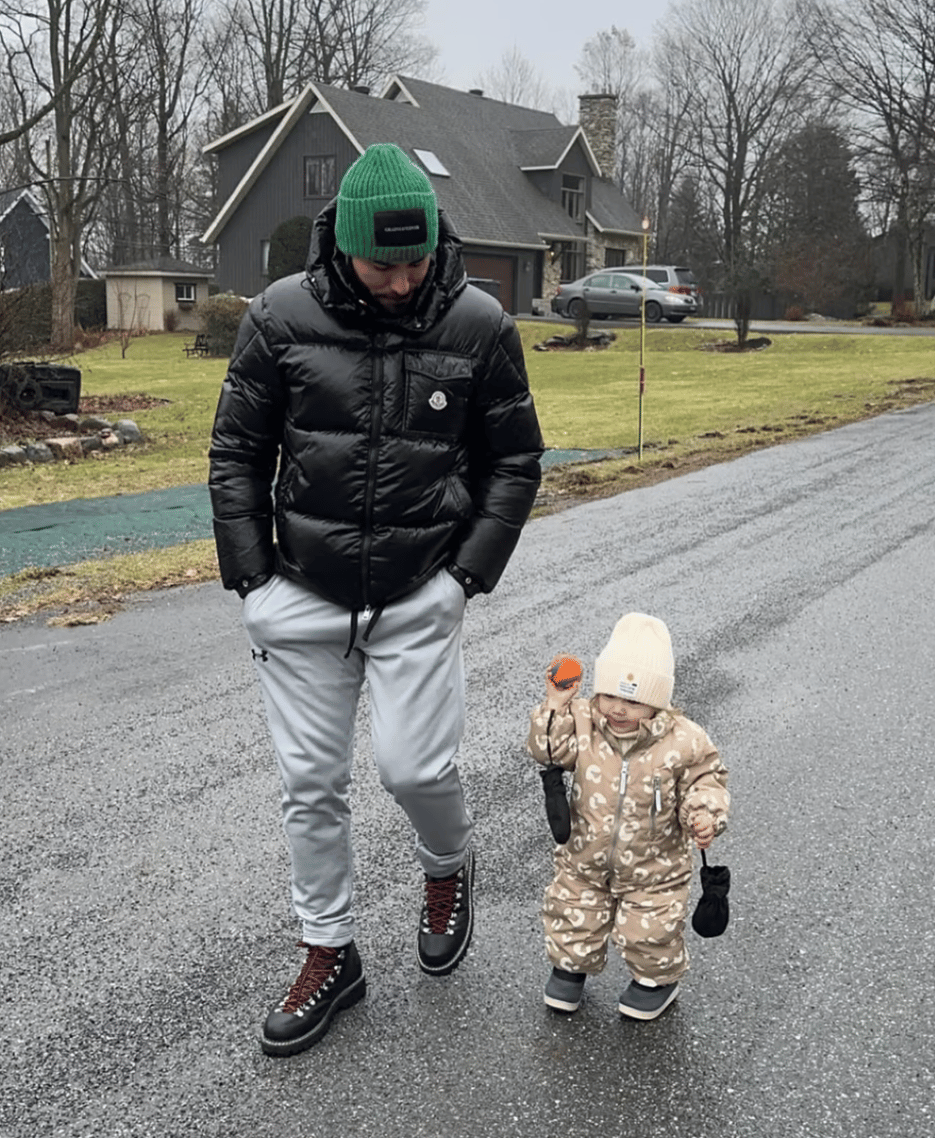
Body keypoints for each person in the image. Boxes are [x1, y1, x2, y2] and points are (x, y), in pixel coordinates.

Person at [209, 143, 544, 1056]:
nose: (400, 283)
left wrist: (464, 577)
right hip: (300, 596)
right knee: (310, 788)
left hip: (417, 594)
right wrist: (252, 577)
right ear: (341, 248)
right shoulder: (277, 320)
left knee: (413, 770)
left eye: (415, 261)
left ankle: (447, 866)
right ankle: (331, 952)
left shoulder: (479, 325)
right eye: (381, 264)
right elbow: (236, 452)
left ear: (436, 243)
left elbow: (515, 461)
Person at [526, 613, 730, 1021]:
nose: (618, 710)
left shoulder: (684, 740)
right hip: (585, 859)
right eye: (610, 696)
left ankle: (656, 980)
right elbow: (547, 751)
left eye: (633, 700)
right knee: (572, 913)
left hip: (655, 868)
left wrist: (704, 814)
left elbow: (706, 780)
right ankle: (570, 967)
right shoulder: (585, 721)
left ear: (658, 700)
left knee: (651, 931)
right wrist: (555, 706)